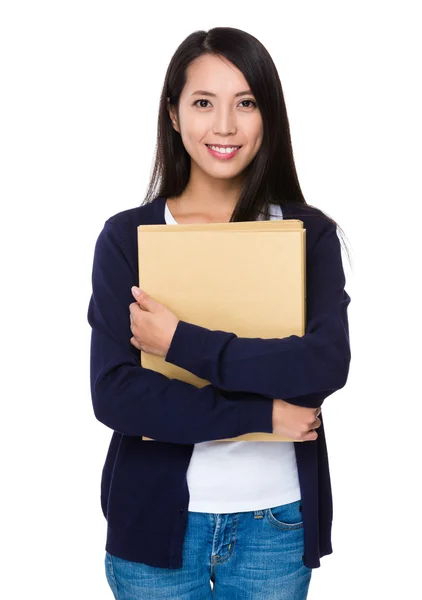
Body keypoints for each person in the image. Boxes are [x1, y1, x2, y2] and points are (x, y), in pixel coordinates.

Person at [87, 26, 351, 600]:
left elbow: (324, 365)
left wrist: (179, 340)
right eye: (204, 103)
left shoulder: (308, 234)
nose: (225, 126)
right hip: (154, 528)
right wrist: (261, 415)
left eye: (246, 103)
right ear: (175, 116)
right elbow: (117, 396)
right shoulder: (127, 238)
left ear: (268, 116)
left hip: (274, 526)